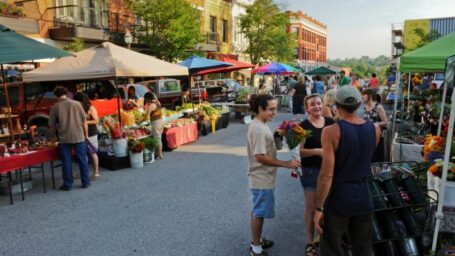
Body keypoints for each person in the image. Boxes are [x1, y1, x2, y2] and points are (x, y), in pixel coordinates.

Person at [314, 86, 380, 256]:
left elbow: (327, 174)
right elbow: (364, 158)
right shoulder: (375, 129)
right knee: (363, 249)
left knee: (332, 249)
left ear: (336, 105)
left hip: (339, 199)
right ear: (359, 103)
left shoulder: (331, 132)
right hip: (363, 196)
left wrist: (318, 208)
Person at [247, 94, 300, 256]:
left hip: (263, 177)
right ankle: (256, 248)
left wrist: (277, 134)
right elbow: (260, 156)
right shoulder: (258, 129)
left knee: (258, 210)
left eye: (275, 108)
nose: (275, 112)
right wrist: (286, 164)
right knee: (259, 212)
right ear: (260, 109)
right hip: (261, 178)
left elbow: (270, 148)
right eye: (271, 109)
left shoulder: (261, 124)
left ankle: (257, 240)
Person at [299, 94, 335, 256]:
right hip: (311, 170)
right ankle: (309, 241)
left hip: (330, 170)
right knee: (311, 207)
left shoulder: (330, 123)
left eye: (319, 103)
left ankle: (323, 238)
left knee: (328, 206)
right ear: (307, 108)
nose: (316, 107)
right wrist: (317, 151)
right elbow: (298, 152)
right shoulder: (302, 126)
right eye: (312, 105)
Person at [48, 87, 90, 191]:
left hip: (64, 138)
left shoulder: (55, 107)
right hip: (79, 136)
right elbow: (84, 121)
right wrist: (86, 135)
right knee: (82, 160)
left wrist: (53, 137)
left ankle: (67, 185)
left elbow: (52, 125)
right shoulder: (77, 104)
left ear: (56, 96)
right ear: (66, 94)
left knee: (66, 162)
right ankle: (85, 182)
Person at [73, 92, 100, 181]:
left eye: (77, 101)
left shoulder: (91, 108)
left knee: (92, 153)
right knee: (82, 154)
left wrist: (85, 122)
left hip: (91, 133)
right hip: (80, 134)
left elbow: (96, 121)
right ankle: (83, 172)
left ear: (81, 101)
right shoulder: (78, 108)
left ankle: (96, 173)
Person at [361, 89, 388, 163]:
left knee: (376, 159)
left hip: (377, 136)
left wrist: (373, 124)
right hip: (367, 136)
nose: (361, 97)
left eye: (363, 95)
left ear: (369, 96)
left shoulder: (378, 107)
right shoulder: (365, 106)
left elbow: (385, 122)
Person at [143, 92, 164, 159]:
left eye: (146, 99)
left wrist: (139, 122)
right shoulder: (157, 102)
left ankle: (160, 154)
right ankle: (158, 153)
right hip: (160, 121)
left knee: (157, 138)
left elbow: (146, 117)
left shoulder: (151, 105)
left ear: (148, 98)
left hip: (156, 123)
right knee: (159, 137)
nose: (146, 101)